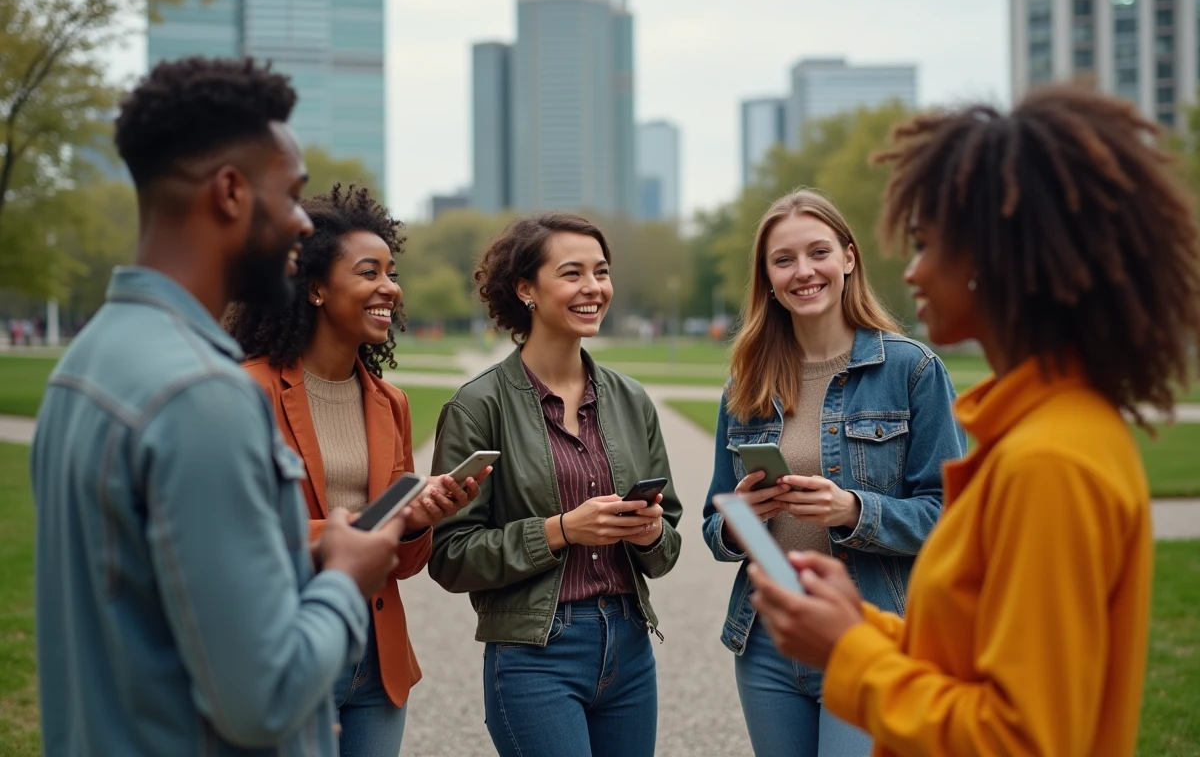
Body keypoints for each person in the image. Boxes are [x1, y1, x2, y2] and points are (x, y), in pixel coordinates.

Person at [748, 84, 1200, 756]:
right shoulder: (1036, 433)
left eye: (926, 245)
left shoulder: (1051, 462)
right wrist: (861, 628)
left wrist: (849, 653)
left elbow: (1022, 738)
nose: (914, 271)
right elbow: (968, 657)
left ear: (995, 259)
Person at [31, 57, 405, 757]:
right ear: (230, 192)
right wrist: (345, 579)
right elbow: (264, 699)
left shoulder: (83, 365)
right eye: (291, 195)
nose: (302, 225)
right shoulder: (203, 396)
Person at [700, 189, 965, 757]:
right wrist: (741, 521)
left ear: (848, 258)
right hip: (768, 640)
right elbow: (714, 527)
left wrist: (853, 510)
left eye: (818, 252)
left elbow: (952, 518)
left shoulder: (912, 370)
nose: (803, 271)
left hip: (868, 633)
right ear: (768, 278)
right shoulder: (746, 384)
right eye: (784, 259)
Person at [224, 183, 485, 755]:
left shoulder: (390, 403)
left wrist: (417, 521)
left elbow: (404, 563)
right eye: (369, 273)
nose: (390, 287)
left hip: (377, 662)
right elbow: (233, 537)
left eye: (392, 273)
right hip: (288, 650)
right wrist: (356, 529)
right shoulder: (245, 393)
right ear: (315, 288)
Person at [427, 213, 683, 757]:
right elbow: (450, 556)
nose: (593, 287)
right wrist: (562, 530)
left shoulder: (632, 400)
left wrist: (649, 534)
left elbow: (668, 546)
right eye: (572, 273)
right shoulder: (477, 406)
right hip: (534, 657)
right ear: (527, 290)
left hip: (630, 647)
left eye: (601, 272)